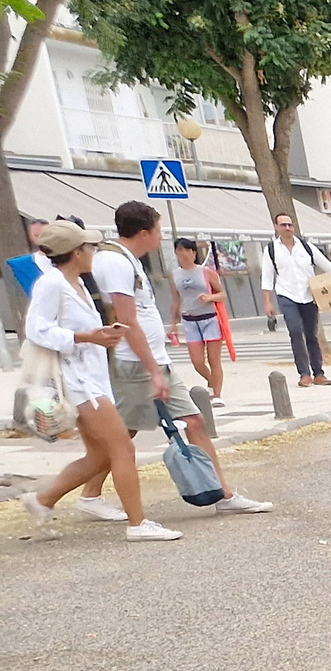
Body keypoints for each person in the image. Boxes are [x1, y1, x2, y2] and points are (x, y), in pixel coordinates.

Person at [78, 201, 271, 519]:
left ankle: (221, 492)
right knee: (123, 433)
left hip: (152, 361)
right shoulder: (114, 263)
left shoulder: (127, 260)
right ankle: (79, 494)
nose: (161, 236)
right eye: (158, 230)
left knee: (192, 421)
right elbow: (127, 321)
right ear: (144, 233)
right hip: (134, 364)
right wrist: (153, 368)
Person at [16, 223, 182, 540]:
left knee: (100, 455)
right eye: (90, 248)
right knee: (121, 448)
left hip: (91, 379)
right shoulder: (53, 284)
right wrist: (86, 337)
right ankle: (138, 523)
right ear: (77, 252)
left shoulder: (74, 283)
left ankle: (43, 499)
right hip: (78, 383)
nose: (93, 253)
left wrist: (100, 336)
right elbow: (37, 330)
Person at [260, 211, 331, 386]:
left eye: (290, 225)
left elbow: (328, 266)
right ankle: (304, 373)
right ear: (276, 227)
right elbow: (267, 277)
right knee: (295, 331)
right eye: (283, 225)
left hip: (309, 296)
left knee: (311, 334)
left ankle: (318, 372)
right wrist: (267, 302)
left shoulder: (306, 247)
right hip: (286, 295)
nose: (287, 228)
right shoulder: (271, 250)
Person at [170, 237, 226, 404]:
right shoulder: (174, 275)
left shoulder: (205, 272)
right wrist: (173, 323)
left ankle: (216, 394)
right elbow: (175, 300)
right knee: (197, 361)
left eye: (188, 250)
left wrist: (209, 297)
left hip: (209, 318)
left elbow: (222, 294)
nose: (184, 254)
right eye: (180, 251)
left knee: (213, 359)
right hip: (189, 319)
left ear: (194, 253)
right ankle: (211, 380)